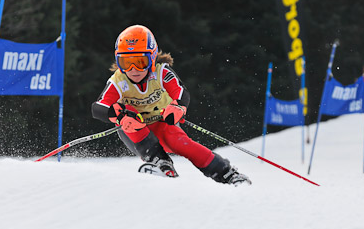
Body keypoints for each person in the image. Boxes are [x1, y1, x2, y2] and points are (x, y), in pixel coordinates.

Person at [91, 25, 251, 186]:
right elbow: (98, 107)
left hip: (162, 124)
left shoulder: (161, 73)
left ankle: (228, 174)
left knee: (183, 145)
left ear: (152, 58)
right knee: (129, 113)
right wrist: (117, 115)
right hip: (135, 131)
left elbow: (181, 92)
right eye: (126, 63)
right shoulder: (118, 81)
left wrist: (178, 107)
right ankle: (159, 162)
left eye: (140, 62)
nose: (134, 69)